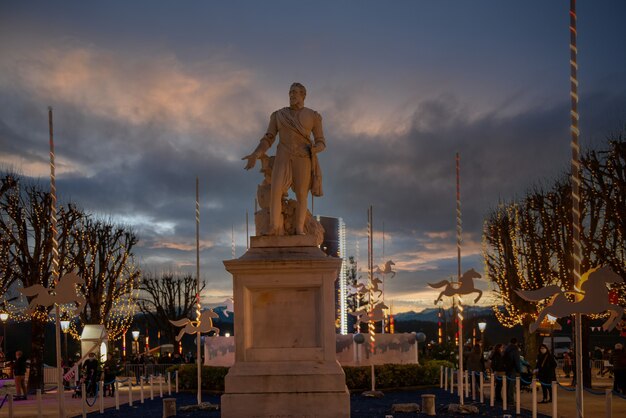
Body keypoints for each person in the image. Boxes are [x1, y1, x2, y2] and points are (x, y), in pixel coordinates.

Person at [243, 82, 326, 236]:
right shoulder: (278, 115)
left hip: (303, 157)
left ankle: (299, 229)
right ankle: (274, 227)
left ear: (303, 95)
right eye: (289, 93)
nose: (291, 95)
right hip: (283, 155)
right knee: (275, 190)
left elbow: (322, 142)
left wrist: (316, 148)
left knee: (302, 194)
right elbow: (268, 138)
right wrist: (256, 154)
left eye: (295, 92)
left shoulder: (313, 116)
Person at [503, 338, 521, 406]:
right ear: (516, 343)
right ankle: (511, 400)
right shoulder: (515, 349)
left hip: (507, 369)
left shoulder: (506, 349)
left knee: (507, 385)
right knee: (511, 386)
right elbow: (517, 360)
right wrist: (519, 370)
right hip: (513, 369)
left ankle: (507, 399)